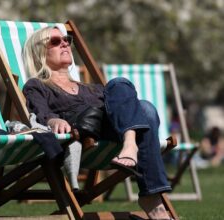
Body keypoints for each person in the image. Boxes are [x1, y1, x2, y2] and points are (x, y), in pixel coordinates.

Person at [21, 26, 172, 219]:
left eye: (67, 39)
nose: (65, 43)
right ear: (39, 52)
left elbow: (123, 106)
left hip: (112, 132)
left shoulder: (90, 88)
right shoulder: (37, 85)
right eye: (55, 41)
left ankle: (130, 144)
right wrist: (53, 119)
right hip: (85, 135)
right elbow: (39, 114)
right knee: (146, 110)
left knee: (123, 87)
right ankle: (152, 197)